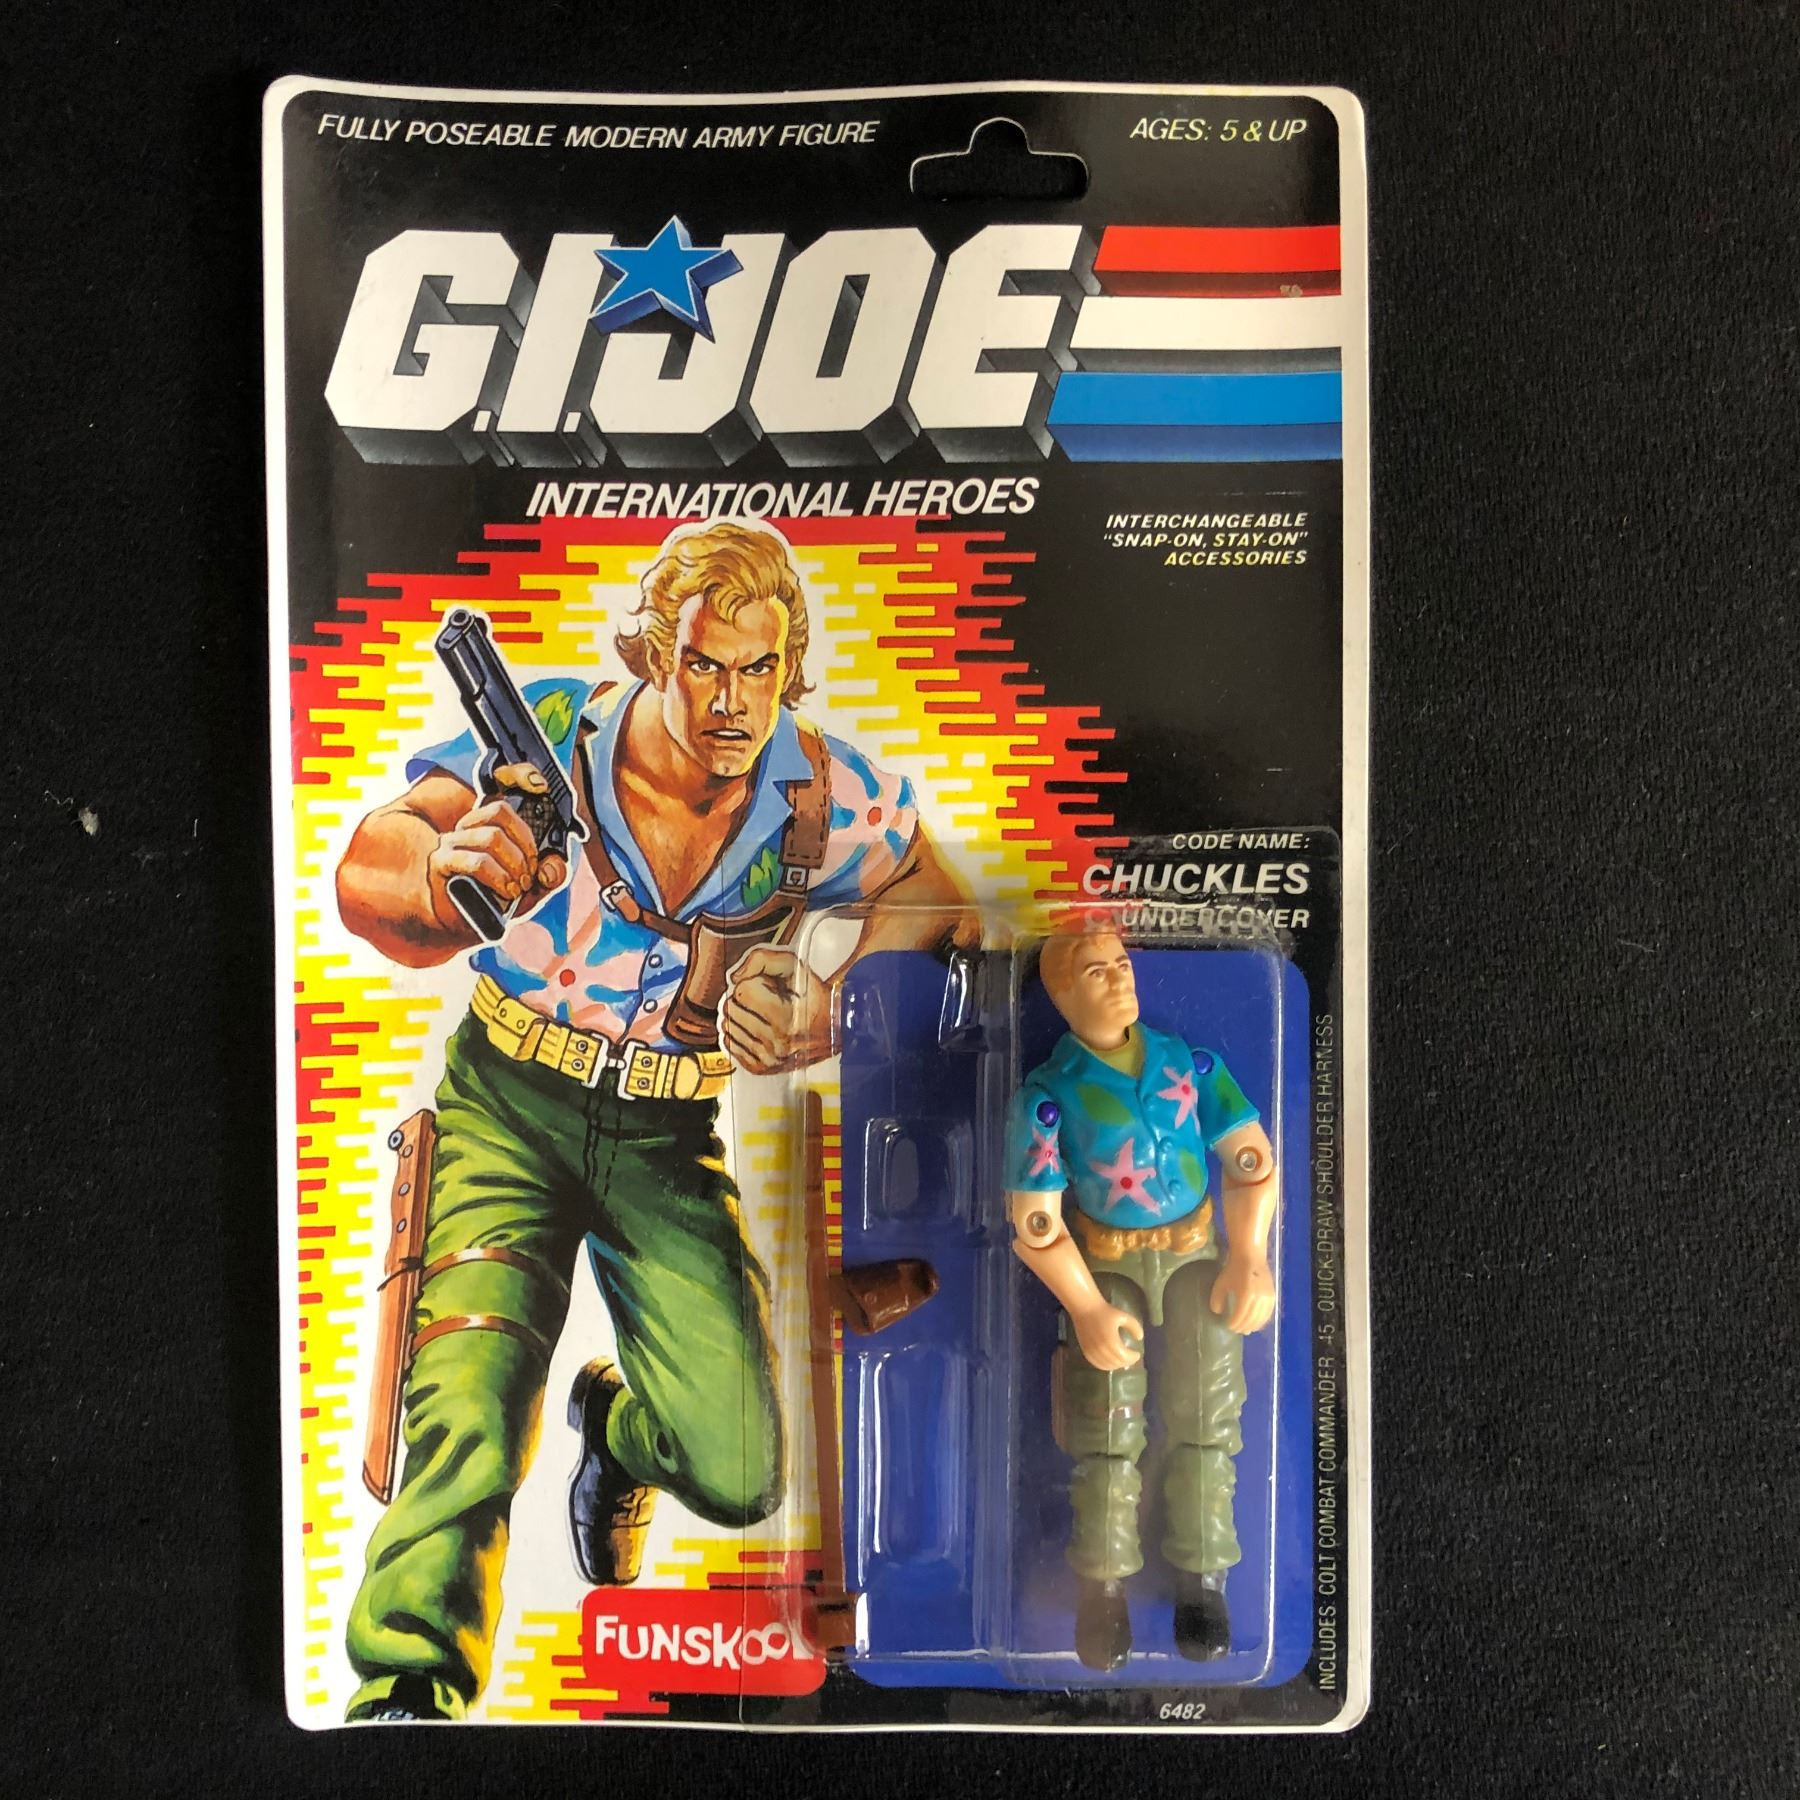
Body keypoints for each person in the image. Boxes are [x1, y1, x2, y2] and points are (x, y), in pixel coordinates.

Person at [336, 519, 972, 1720]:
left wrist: (834, 1005)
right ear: (650, 655)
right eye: (703, 665)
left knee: (741, 1470)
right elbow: (373, 854)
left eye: (758, 669)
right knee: (468, 1407)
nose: (731, 700)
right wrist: (440, 869)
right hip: (507, 1105)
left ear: (790, 670)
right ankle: (408, 1687)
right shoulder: (549, 732)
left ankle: (616, 1431)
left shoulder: (822, 792)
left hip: (667, 1138)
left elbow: (935, 895)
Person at [1005, 926, 1278, 1670]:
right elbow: (1035, 1220)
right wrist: (1086, 1307)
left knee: (1208, 1420)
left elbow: (1251, 1159)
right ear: (1063, 993)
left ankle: (1204, 1579)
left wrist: (1249, 1255)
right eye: (1096, 971)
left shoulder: (1187, 1064)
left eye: (1122, 963)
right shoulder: (1048, 1096)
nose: (1119, 978)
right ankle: (1103, 1591)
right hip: (1106, 1273)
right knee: (1106, 1432)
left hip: (1196, 1262)